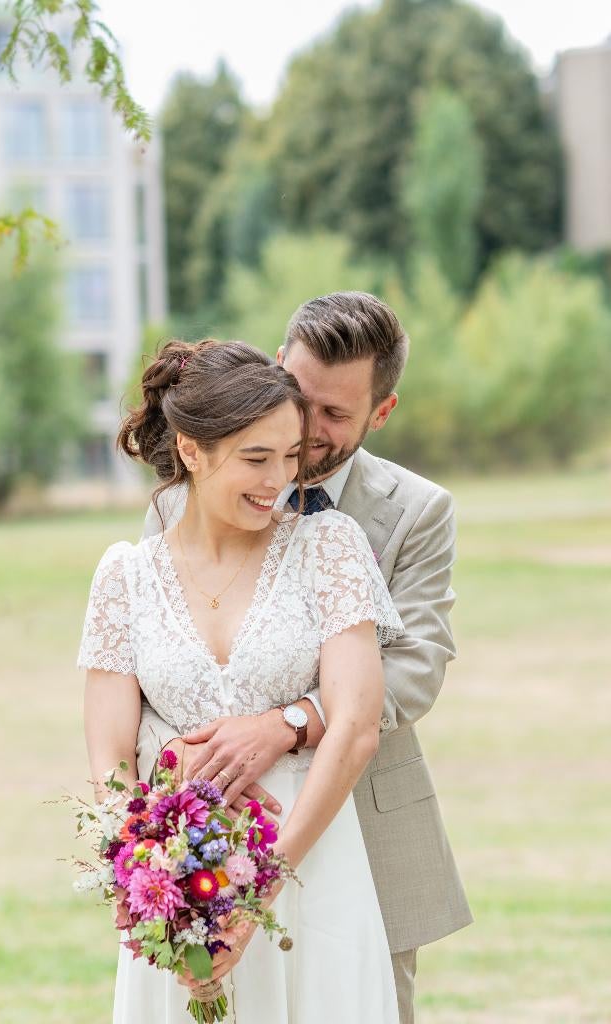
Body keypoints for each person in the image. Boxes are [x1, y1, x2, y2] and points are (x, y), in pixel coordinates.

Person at [139, 293, 473, 1024]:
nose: (307, 429)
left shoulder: (415, 511)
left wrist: (288, 723)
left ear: (380, 414)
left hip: (368, 824)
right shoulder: (177, 506)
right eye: (297, 395)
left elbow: (415, 668)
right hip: (213, 830)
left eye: (335, 416)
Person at [78, 339, 404, 1023]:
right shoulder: (124, 578)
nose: (278, 480)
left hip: (314, 868)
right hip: (180, 883)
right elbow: (109, 758)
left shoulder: (329, 548)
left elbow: (355, 728)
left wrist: (262, 894)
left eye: (290, 457)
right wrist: (136, 871)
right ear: (192, 450)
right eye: (257, 459)